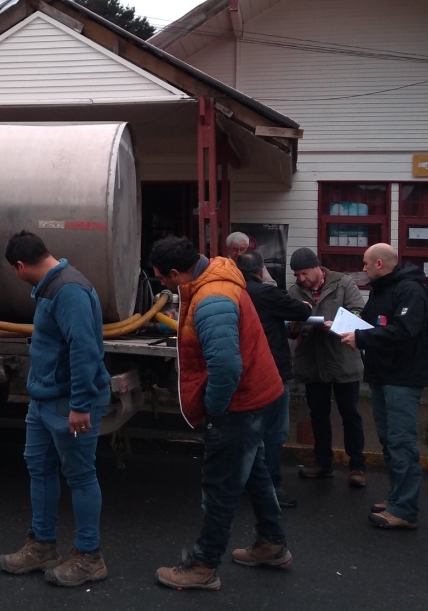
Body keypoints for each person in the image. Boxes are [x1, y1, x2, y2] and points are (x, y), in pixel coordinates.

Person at [151, 237, 291, 591]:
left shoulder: (211, 299)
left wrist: (215, 407)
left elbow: (226, 365)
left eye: (164, 281)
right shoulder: (215, 276)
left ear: (175, 272)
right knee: (254, 471)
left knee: (221, 486)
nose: (165, 288)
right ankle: (271, 544)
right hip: (258, 394)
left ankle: (203, 566)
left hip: (238, 403)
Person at [0, 231, 110, 588]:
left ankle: (90, 557)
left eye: (15, 271)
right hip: (44, 400)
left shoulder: (68, 290)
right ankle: (42, 546)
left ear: (20, 265)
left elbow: (84, 350)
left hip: (69, 404)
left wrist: (80, 405)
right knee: (39, 468)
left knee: (79, 476)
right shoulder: (52, 285)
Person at [338, 244, 428, 531]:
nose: (362, 268)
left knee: (401, 442)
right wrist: (341, 325)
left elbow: (403, 330)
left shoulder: (410, 291)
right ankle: (396, 499)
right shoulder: (381, 288)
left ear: (379, 263)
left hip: (402, 377)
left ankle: (405, 509)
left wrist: (362, 338)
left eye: (365, 263)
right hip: (381, 375)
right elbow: (367, 323)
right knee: (389, 441)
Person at [286, 248, 368, 488]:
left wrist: (339, 324)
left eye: (304, 273)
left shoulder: (343, 284)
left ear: (317, 268)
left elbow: (358, 312)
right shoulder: (293, 291)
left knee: (350, 415)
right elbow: (290, 325)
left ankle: (357, 466)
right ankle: (323, 463)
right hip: (312, 363)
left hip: (342, 359)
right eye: (296, 274)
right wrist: (296, 325)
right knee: (318, 416)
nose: (301, 279)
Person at [235, 252, 310, 509]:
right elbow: (301, 310)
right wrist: (308, 307)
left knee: (249, 432)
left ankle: (247, 482)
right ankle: (270, 487)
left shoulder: (232, 292)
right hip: (271, 372)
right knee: (274, 432)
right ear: (260, 271)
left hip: (242, 370)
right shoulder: (265, 293)